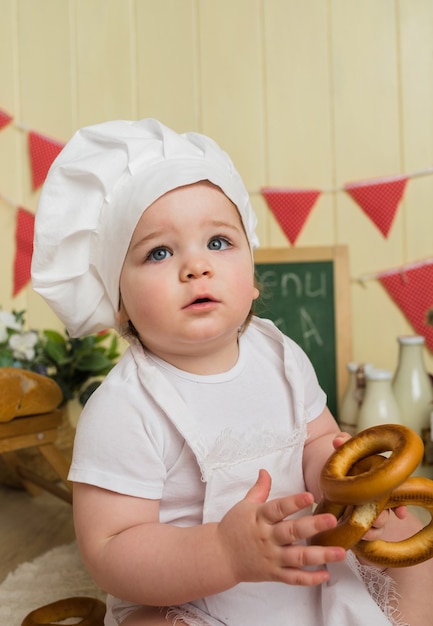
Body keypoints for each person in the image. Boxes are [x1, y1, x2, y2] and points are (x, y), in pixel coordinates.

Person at [32, 119, 433, 626]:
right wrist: (223, 553)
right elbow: (110, 548)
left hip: (301, 552)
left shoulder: (280, 355)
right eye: (159, 251)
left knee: (412, 548)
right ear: (119, 305)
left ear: (253, 281)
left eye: (218, 243)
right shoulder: (122, 408)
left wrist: (342, 487)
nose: (196, 266)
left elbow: (317, 443)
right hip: (189, 593)